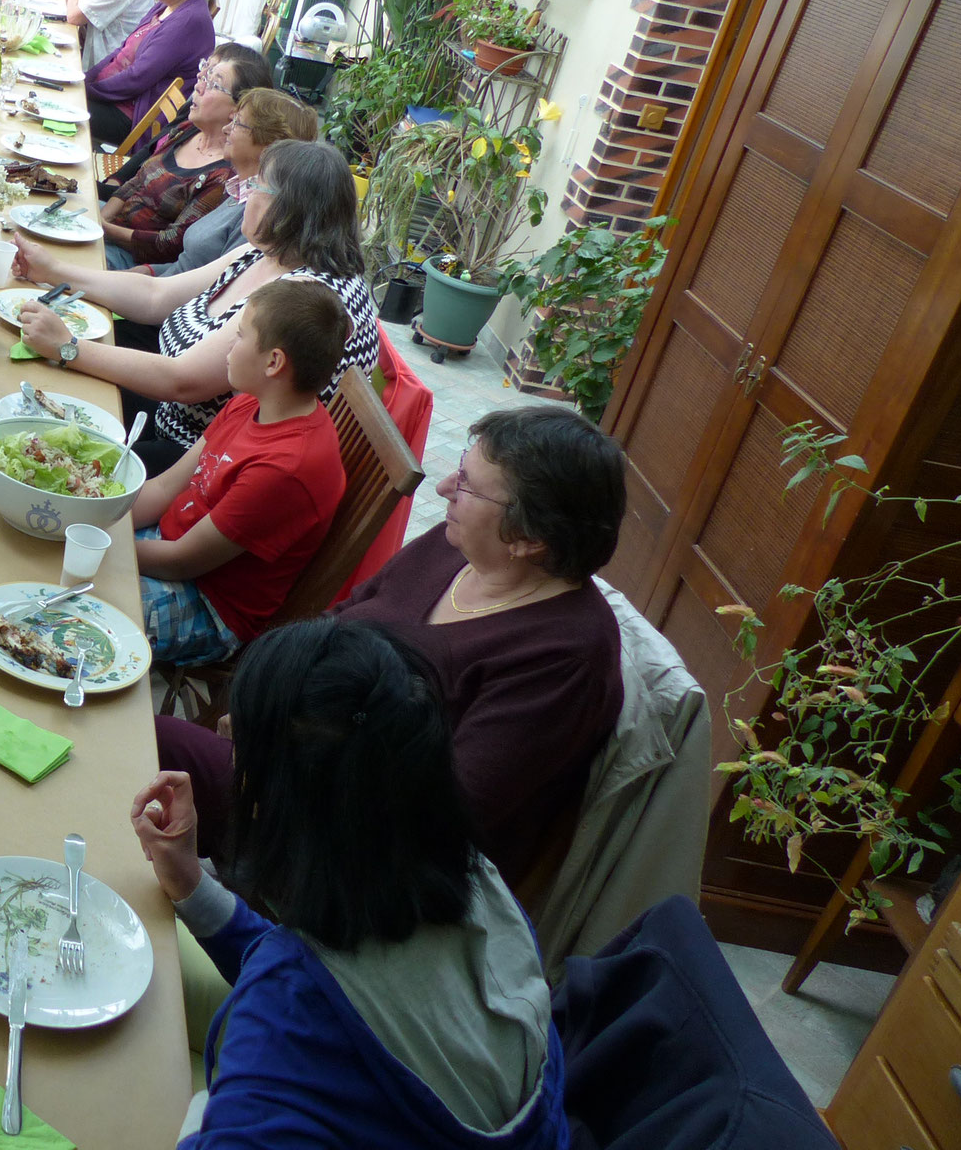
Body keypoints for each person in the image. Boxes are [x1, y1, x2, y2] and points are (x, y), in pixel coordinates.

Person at [134, 617, 570, 1149]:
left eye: (238, 745)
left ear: (276, 801)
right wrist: (191, 885)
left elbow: (307, 1004)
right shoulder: (478, 887)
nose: (223, 728)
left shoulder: (284, 1029)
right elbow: (338, 986)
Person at [157, 405, 628, 892]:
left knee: (156, 756)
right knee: (149, 747)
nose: (445, 488)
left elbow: (443, 811)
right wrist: (268, 700)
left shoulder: (565, 660)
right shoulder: (457, 546)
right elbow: (342, 616)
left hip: (352, 862)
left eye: (466, 485)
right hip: (282, 772)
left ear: (530, 539)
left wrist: (277, 748)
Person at [15, 138, 379, 474]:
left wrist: (68, 347)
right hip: (166, 417)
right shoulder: (271, 251)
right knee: (35, 390)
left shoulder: (305, 295)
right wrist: (54, 271)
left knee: (33, 442)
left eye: (253, 187)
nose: (242, 197)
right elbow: (156, 296)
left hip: (199, 460)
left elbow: (183, 382)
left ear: (288, 209)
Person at [133, 279, 350, 667]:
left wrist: (102, 548)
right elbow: (165, 486)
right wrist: (89, 519)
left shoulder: (286, 468)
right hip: (168, 544)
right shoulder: (251, 402)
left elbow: (182, 562)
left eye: (239, 336)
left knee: (69, 590)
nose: (228, 346)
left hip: (205, 603)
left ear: (274, 362)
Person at [129, 87, 321, 292]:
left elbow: (215, 291)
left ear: (269, 147)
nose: (226, 129)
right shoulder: (236, 191)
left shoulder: (258, 214)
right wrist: (145, 272)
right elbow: (186, 267)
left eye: (238, 123)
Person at [97, 47, 251, 272]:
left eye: (213, 84)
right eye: (204, 75)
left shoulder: (223, 175)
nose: (198, 86)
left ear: (236, 110)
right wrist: (101, 219)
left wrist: (103, 229)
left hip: (132, 258)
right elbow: (138, 180)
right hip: (110, 226)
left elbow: (170, 244)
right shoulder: (188, 129)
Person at [83, 0, 215, 146]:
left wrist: (87, 90)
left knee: (65, 106)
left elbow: (138, 77)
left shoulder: (189, 21)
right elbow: (122, 51)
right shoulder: (166, 6)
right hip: (117, 100)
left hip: (133, 117)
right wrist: (86, 79)